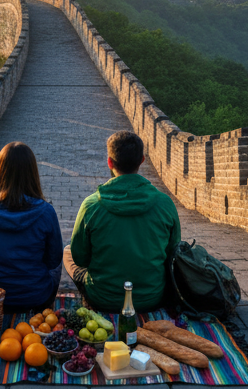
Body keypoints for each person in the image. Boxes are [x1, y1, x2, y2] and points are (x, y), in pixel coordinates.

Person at [63, 130, 181, 312]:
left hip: (103, 298)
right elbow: (173, 252)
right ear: (142, 160)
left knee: (68, 252)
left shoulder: (91, 205)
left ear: (110, 162)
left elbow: (80, 258)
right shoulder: (164, 203)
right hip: (151, 297)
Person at [0, 142, 63, 312]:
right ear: (32, 173)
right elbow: (53, 259)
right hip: (36, 298)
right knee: (57, 266)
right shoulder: (46, 212)